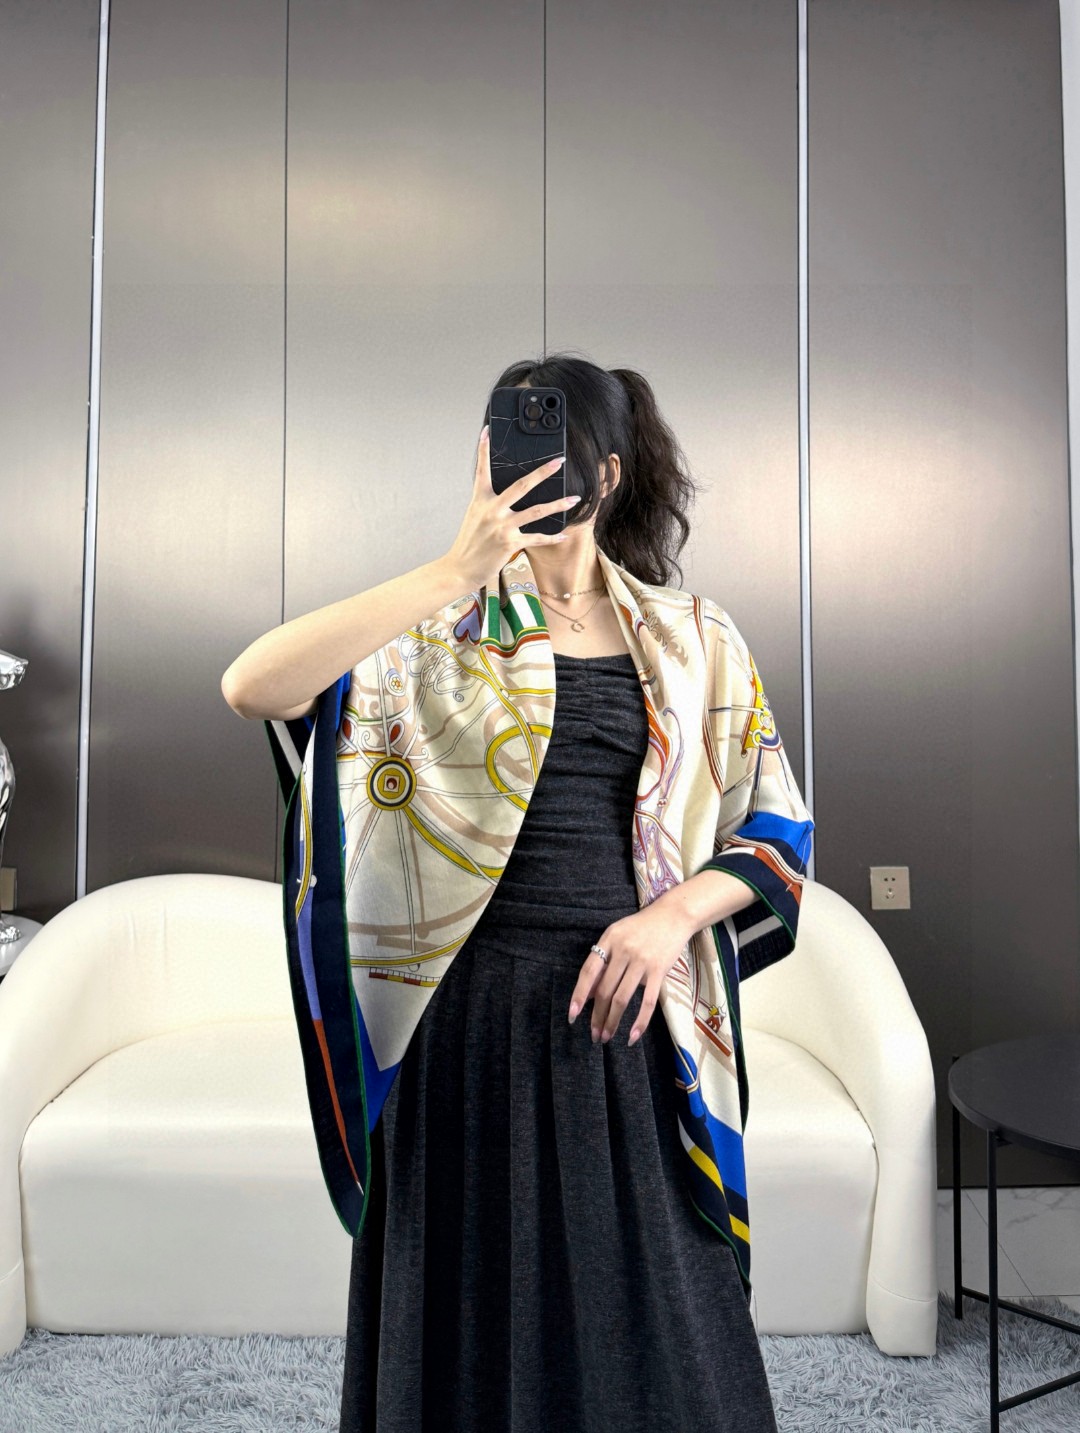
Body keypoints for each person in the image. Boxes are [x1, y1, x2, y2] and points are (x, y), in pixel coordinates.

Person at [222, 354, 813, 1432]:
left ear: (609, 473)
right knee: (466, 1321)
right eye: (507, 451)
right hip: (463, 1023)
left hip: (624, 1016)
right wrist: (455, 568)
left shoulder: (694, 638)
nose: (528, 476)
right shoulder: (433, 629)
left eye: (554, 455)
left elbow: (776, 830)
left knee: (656, 1326)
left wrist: (669, 918)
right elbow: (253, 683)